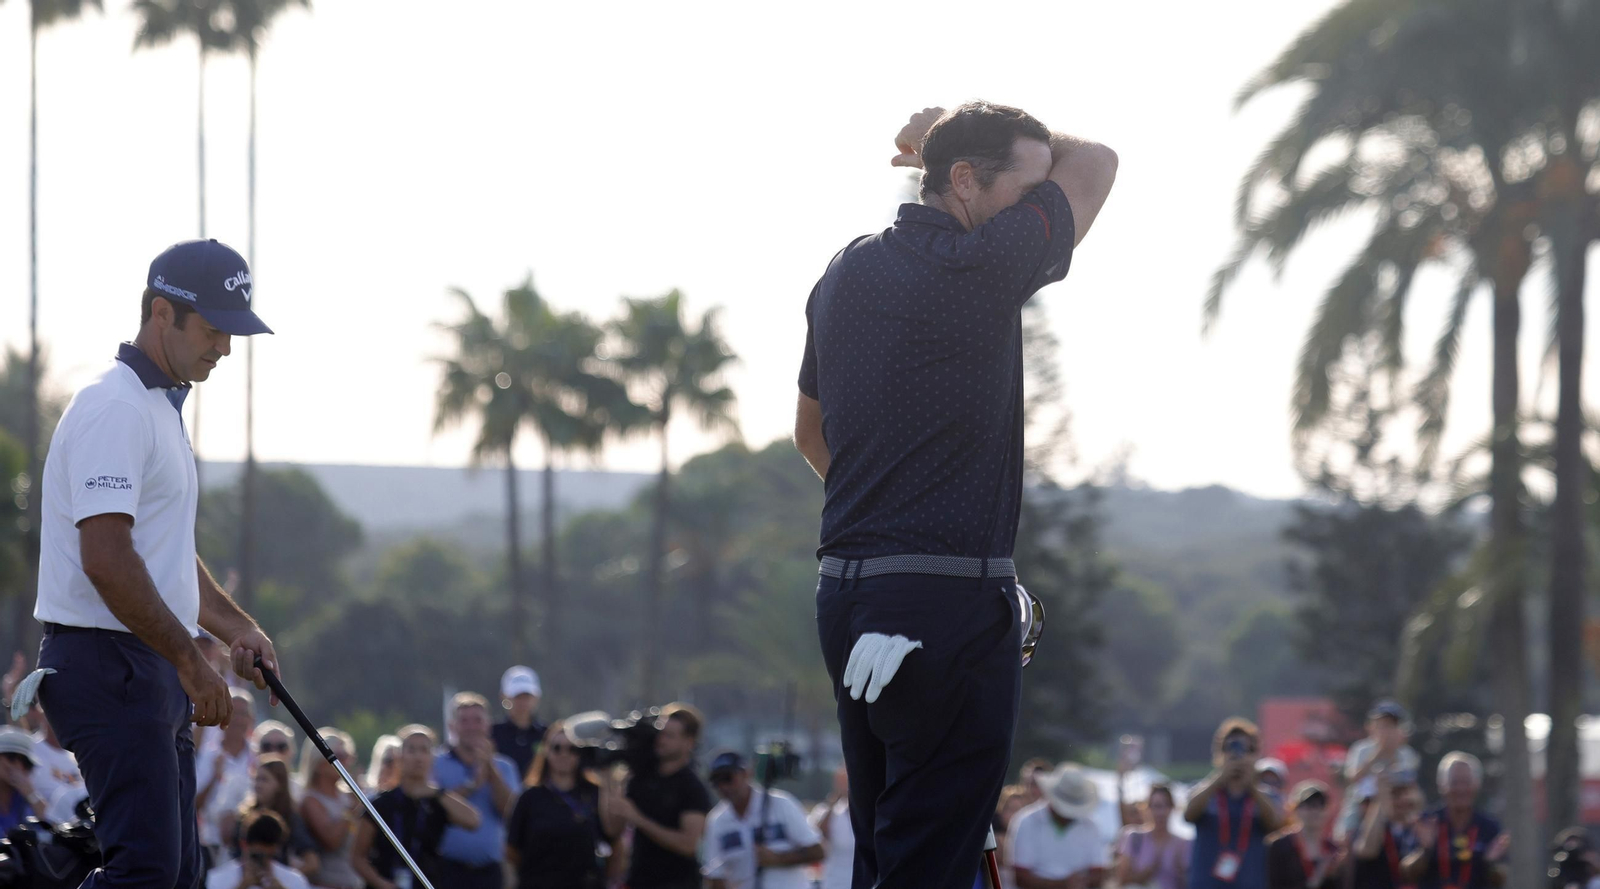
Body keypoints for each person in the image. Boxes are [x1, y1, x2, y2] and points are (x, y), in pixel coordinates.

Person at [798, 102, 1117, 889]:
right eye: (1026, 184)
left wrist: (888, 522)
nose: (1038, 203)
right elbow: (1098, 159)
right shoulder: (985, 263)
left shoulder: (845, 268)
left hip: (847, 595)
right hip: (946, 604)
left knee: (885, 849)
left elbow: (810, 435)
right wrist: (944, 116)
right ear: (965, 182)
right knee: (932, 861)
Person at [27, 237, 279, 889]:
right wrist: (192, 662)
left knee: (176, 876)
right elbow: (108, 559)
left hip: (146, 664)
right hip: (107, 661)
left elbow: (159, 552)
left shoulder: (159, 408)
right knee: (144, 873)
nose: (224, 347)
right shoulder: (114, 407)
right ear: (162, 313)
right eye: (215, 329)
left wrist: (234, 626)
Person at [600, 703, 714, 889]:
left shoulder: (692, 787)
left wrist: (639, 819)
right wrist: (608, 781)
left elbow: (688, 845)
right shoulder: (642, 778)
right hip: (638, 881)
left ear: (689, 742)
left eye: (670, 736)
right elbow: (613, 829)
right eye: (660, 732)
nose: (661, 740)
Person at [353, 725, 479, 889]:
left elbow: (473, 821)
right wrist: (381, 884)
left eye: (424, 750)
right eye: (411, 750)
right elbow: (357, 857)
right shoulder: (381, 803)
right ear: (400, 757)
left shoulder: (437, 801)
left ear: (432, 757)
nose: (418, 757)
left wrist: (436, 792)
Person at [505, 721, 615, 889]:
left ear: (580, 753)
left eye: (572, 749)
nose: (564, 754)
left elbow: (613, 837)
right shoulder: (529, 797)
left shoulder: (595, 793)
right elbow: (512, 850)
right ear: (546, 751)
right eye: (557, 748)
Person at [433, 692, 520, 889]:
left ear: (488, 725)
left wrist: (490, 768)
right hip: (447, 869)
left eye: (477, 720)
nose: (471, 727)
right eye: (464, 721)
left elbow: (510, 812)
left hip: (489, 871)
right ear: (453, 726)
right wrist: (472, 785)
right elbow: (436, 808)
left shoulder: (505, 767)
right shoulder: (436, 763)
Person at [702, 750, 824, 889]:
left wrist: (778, 859)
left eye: (728, 778)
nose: (723, 786)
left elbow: (817, 851)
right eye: (716, 781)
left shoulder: (781, 804)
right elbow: (715, 876)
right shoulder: (716, 821)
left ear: (746, 774)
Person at [1185, 718, 1284, 889]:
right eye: (1230, 748)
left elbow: (1275, 824)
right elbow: (1189, 814)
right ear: (1219, 753)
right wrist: (1220, 778)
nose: (1237, 755)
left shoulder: (1266, 795)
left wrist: (1252, 786)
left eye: (1245, 749)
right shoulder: (1205, 790)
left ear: (1255, 754)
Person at [1400, 753, 1508, 889]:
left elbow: (1500, 880)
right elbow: (1407, 872)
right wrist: (1425, 850)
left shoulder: (1490, 827)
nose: (1461, 789)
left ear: (1477, 785)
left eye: (1466, 782)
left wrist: (1490, 863)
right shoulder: (1426, 822)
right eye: (1454, 782)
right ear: (1441, 785)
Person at [1007, 763, 1110, 889]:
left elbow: (1099, 874)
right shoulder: (1026, 821)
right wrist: (1063, 884)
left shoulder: (1092, 827)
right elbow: (1020, 878)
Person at [1339, 701, 1420, 842]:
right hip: (1360, 810)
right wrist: (1378, 754)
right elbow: (1352, 779)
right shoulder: (1361, 749)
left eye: (1391, 725)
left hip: (1396, 810)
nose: (1386, 730)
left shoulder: (1407, 754)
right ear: (1371, 727)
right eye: (1382, 725)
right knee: (1347, 838)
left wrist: (1393, 754)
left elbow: (1409, 785)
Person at [225, 756, 319, 875]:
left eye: (264, 779)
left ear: (280, 784)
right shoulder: (244, 816)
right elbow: (235, 855)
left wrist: (287, 878)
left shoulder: (290, 818)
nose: (258, 785)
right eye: (256, 779)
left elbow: (312, 862)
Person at [299, 729, 365, 889]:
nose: (347, 762)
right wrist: (351, 809)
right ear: (319, 764)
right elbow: (332, 841)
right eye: (340, 757)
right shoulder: (310, 800)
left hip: (354, 883)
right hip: (327, 884)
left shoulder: (348, 797)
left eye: (348, 756)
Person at [199, 688, 259, 863]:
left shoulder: (259, 757)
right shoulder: (205, 756)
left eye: (243, 714)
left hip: (250, 846)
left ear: (251, 719)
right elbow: (192, 804)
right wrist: (214, 778)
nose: (238, 719)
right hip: (210, 845)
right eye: (233, 712)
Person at [206, 810, 311, 889]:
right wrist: (242, 885)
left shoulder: (295, 881)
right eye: (256, 855)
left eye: (268, 856)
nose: (262, 861)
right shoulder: (217, 879)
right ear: (244, 845)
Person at [1351, 770, 1420, 889]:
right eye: (1394, 794)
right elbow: (1367, 850)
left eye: (1405, 792)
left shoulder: (1419, 827)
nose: (1401, 799)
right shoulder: (1370, 827)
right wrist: (1380, 801)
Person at [1266, 781, 1342, 889]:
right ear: (1295, 809)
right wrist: (1316, 878)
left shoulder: (1334, 849)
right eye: (1309, 805)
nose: (1315, 810)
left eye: (1321, 804)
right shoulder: (1279, 845)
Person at [1116, 784, 1190, 889]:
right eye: (1156, 806)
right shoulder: (1133, 837)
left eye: (1166, 805)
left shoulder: (1183, 844)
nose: (1161, 812)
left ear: (1172, 808)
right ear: (1147, 808)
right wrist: (1145, 874)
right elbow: (1122, 880)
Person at [493, 666, 548, 779]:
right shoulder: (493, 733)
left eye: (527, 696)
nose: (523, 701)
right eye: (517, 696)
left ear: (537, 697)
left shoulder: (547, 734)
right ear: (504, 696)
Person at [810, 767, 854, 889]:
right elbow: (817, 837)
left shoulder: (868, 811)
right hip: (834, 883)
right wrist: (835, 799)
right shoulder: (823, 810)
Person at [0, 727, 51, 833]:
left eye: (25, 762)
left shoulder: (26, 798)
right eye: (11, 758)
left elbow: (53, 827)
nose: (18, 766)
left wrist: (30, 793)